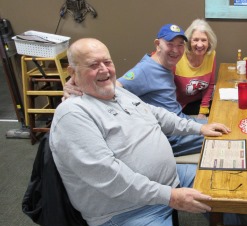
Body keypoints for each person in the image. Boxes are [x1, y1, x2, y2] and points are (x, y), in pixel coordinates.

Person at [50, 38, 247, 226]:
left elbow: (157, 114)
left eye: (107, 62)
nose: (104, 70)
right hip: (125, 210)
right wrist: (169, 196)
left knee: (219, 179)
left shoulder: (118, 93)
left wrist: (199, 128)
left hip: (168, 182)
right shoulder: (73, 114)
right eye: (93, 65)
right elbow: (109, 177)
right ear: (72, 72)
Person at [64, 24, 205, 157]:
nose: (175, 50)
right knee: (222, 137)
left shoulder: (165, 64)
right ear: (157, 44)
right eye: (170, 44)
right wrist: (75, 84)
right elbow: (113, 88)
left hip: (179, 122)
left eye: (180, 45)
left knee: (221, 126)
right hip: (171, 136)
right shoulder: (145, 69)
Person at [174, 19, 217, 119]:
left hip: (199, 101)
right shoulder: (178, 56)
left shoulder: (211, 55)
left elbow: (210, 85)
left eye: (204, 40)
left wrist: (203, 112)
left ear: (209, 41)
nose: (200, 45)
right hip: (179, 105)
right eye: (196, 40)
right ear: (188, 41)